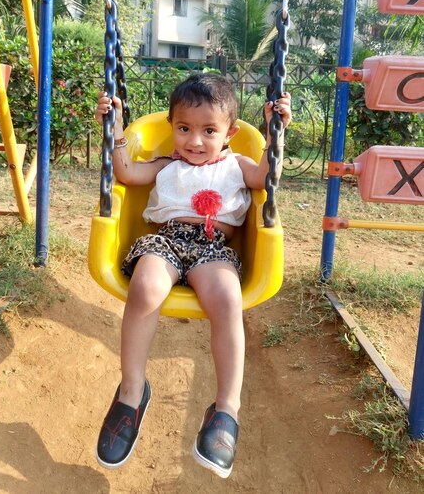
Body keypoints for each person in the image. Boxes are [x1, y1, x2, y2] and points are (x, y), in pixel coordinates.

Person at [94, 74, 291, 478]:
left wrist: (276, 134)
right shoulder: (167, 164)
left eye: (208, 131)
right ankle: (131, 394)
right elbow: (127, 173)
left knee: (226, 297)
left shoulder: (238, 164)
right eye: (184, 129)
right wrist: (113, 128)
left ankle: (226, 411)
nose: (194, 141)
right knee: (145, 286)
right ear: (172, 128)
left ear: (230, 133)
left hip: (213, 249)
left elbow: (264, 178)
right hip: (165, 242)